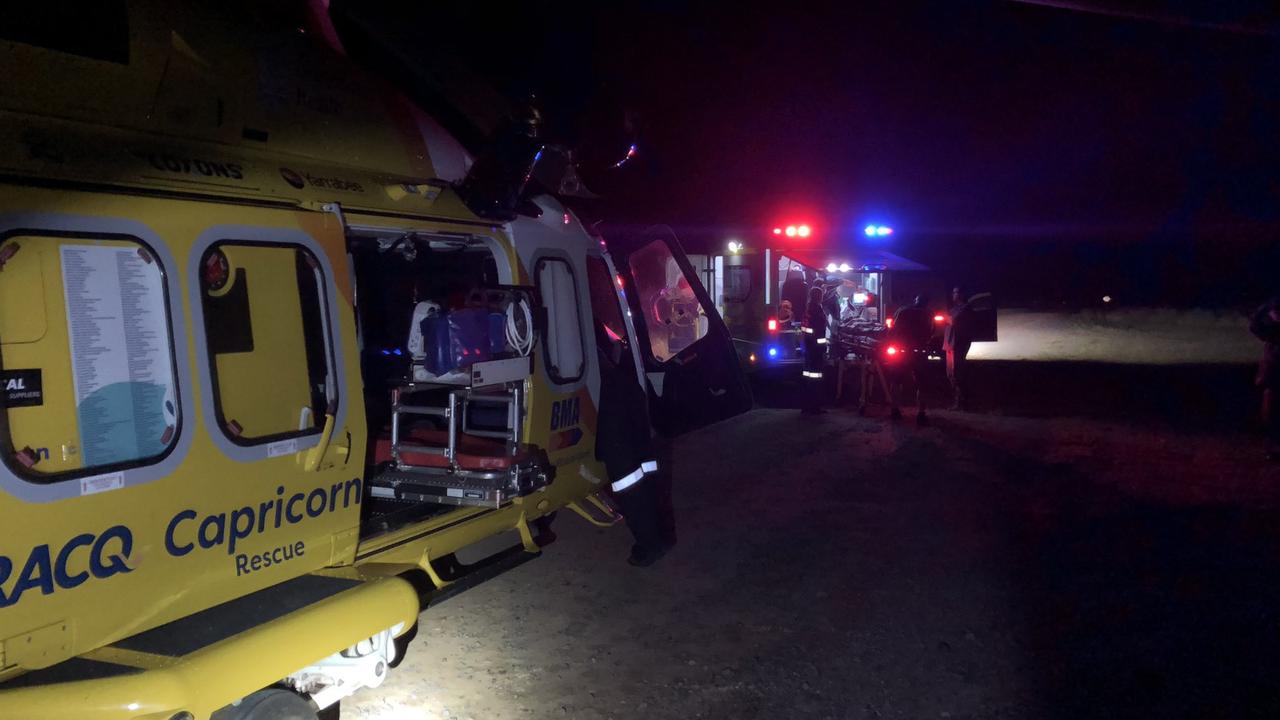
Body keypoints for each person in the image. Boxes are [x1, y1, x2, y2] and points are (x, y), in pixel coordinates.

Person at [593, 321, 671, 566]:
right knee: (647, 482)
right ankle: (659, 537)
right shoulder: (595, 324)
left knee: (631, 488)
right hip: (626, 394)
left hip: (612, 406)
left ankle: (650, 546)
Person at [891, 294, 933, 426]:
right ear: (926, 303)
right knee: (922, 383)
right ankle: (921, 414)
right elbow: (931, 331)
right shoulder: (927, 313)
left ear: (915, 300)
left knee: (896, 381)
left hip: (901, 351)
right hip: (919, 352)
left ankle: (895, 411)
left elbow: (892, 328)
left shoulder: (902, 310)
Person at [1250, 297, 1280, 461]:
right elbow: (1255, 326)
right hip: (1275, 362)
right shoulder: (1272, 308)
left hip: (1274, 361)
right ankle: (1272, 443)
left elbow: (1255, 326)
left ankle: (1273, 443)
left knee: (1273, 402)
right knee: (1272, 402)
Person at [944, 285, 974, 411]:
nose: (953, 295)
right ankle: (959, 401)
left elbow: (953, 321)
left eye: (955, 293)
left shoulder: (966, 308)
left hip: (958, 344)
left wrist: (946, 317)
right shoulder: (955, 308)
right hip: (950, 343)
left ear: (961, 294)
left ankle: (961, 402)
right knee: (951, 373)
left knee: (956, 373)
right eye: (953, 292)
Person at [800, 285, 828, 414]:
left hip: (808, 347)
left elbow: (806, 329)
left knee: (808, 376)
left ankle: (806, 405)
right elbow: (818, 331)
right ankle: (814, 406)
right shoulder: (816, 309)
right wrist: (823, 345)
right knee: (816, 377)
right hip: (815, 348)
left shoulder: (808, 308)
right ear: (819, 296)